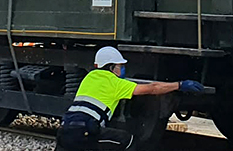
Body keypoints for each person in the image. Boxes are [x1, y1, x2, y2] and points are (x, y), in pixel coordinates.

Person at [56, 46, 205, 150]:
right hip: (85, 133)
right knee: (129, 142)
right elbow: (152, 88)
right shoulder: (115, 83)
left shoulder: (88, 77)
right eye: (120, 66)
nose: (122, 69)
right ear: (111, 67)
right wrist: (179, 85)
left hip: (64, 131)